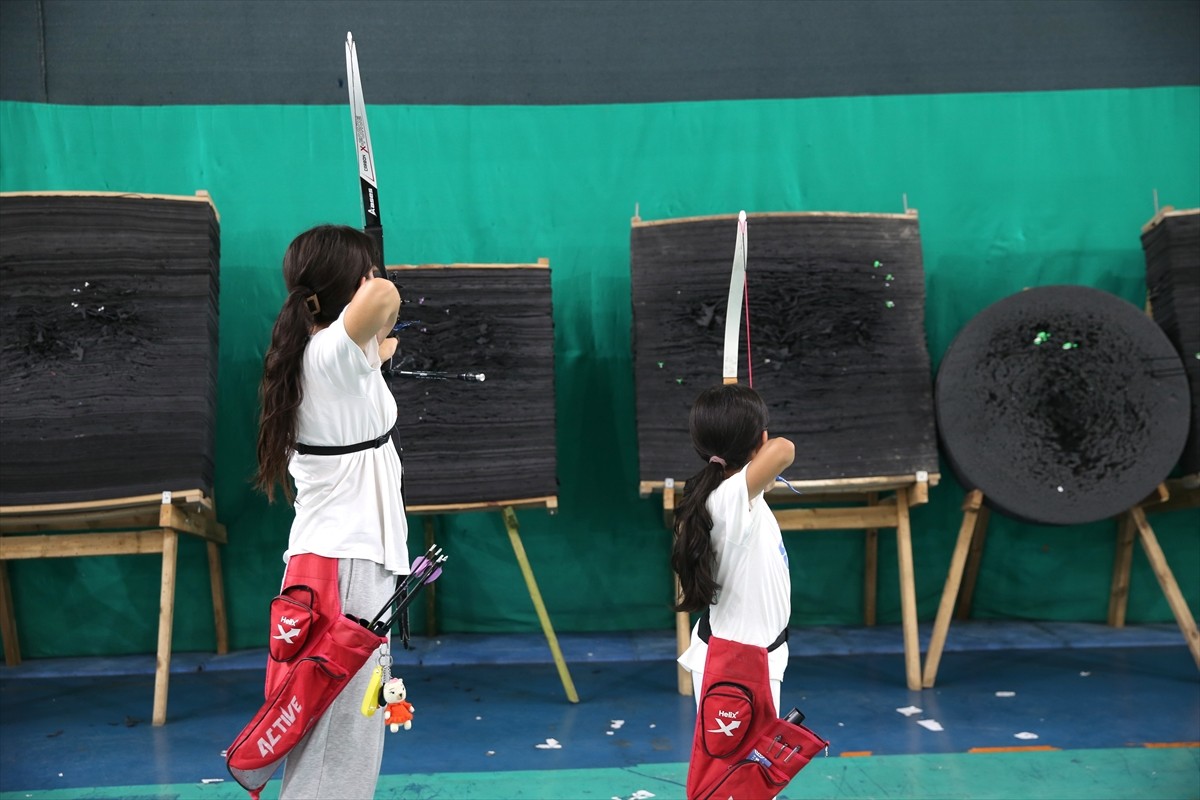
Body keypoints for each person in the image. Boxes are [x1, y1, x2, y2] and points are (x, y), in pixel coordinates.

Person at [254, 224, 408, 799]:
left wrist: (376, 342)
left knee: (349, 732)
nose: (374, 279)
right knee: (337, 743)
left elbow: (377, 333)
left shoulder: (330, 356)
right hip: (344, 570)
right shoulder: (327, 355)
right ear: (349, 284)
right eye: (363, 271)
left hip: (344, 565)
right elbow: (384, 300)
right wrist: (376, 272)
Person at [672, 383, 795, 714]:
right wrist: (760, 452)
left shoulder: (731, 496)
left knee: (743, 767)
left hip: (749, 661)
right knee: (737, 768)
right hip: (738, 668)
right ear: (760, 441)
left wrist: (754, 458)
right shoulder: (727, 501)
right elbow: (784, 449)